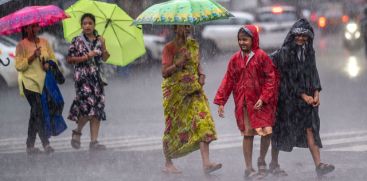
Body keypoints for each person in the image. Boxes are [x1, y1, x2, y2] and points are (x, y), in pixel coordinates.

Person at [270, 19, 335, 177]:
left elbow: (313, 72)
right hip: (288, 99)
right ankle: (273, 163)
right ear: (293, 35)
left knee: (310, 129)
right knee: (280, 130)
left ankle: (319, 165)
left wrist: (316, 92)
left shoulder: (309, 51)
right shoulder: (285, 53)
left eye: (304, 36)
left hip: (307, 99)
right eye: (297, 35)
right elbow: (288, 78)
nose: (300, 38)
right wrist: (303, 95)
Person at [214, 25, 279, 179]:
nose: (242, 42)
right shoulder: (235, 59)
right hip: (245, 104)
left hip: (262, 104)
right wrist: (221, 101)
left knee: (266, 132)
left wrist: (264, 98)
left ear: (253, 39)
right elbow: (228, 80)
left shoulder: (262, 57)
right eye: (240, 40)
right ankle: (248, 169)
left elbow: (271, 79)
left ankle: (261, 159)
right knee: (248, 135)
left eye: (245, 39)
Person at [161, 25, 221, 174]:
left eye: (189, 26)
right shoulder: (169, 48)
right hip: (176, 94)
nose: (187, 29)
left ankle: (206, 163)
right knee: (173, 127)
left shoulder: (193, 45)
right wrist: (178, 64)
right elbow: (164, 72)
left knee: (203, 121)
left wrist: (201, 75)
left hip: (194, 90)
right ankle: (168, 163)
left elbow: (197, 65)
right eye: (184, 26)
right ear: (176, 28)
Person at [67, 13, 110, 151]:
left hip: (97, 79)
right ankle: (77, 131)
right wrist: (86, 56)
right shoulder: (77, 40)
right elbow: (70, 59)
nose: (87, 26)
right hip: (82, 78)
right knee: (87, 108)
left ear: (94, 25)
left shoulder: (99, 39)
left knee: (97, 109)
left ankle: (94, 142)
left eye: (90, 23)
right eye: (85, 23)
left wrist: (103, 45)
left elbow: (105, 58)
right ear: (81, 25)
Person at [15, 23, 57, 154]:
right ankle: (46, 144)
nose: (33, 29)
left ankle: (30, 146)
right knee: (37, 112)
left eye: (36, 26)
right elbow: (19, 66)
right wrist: (33, 56)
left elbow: (53, 59)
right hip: (29, 83)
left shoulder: (44, 42)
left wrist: (48, 65)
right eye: (30, 27)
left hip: (43, 83)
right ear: (25, 29)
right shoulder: (21, 45)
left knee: (35, 114)